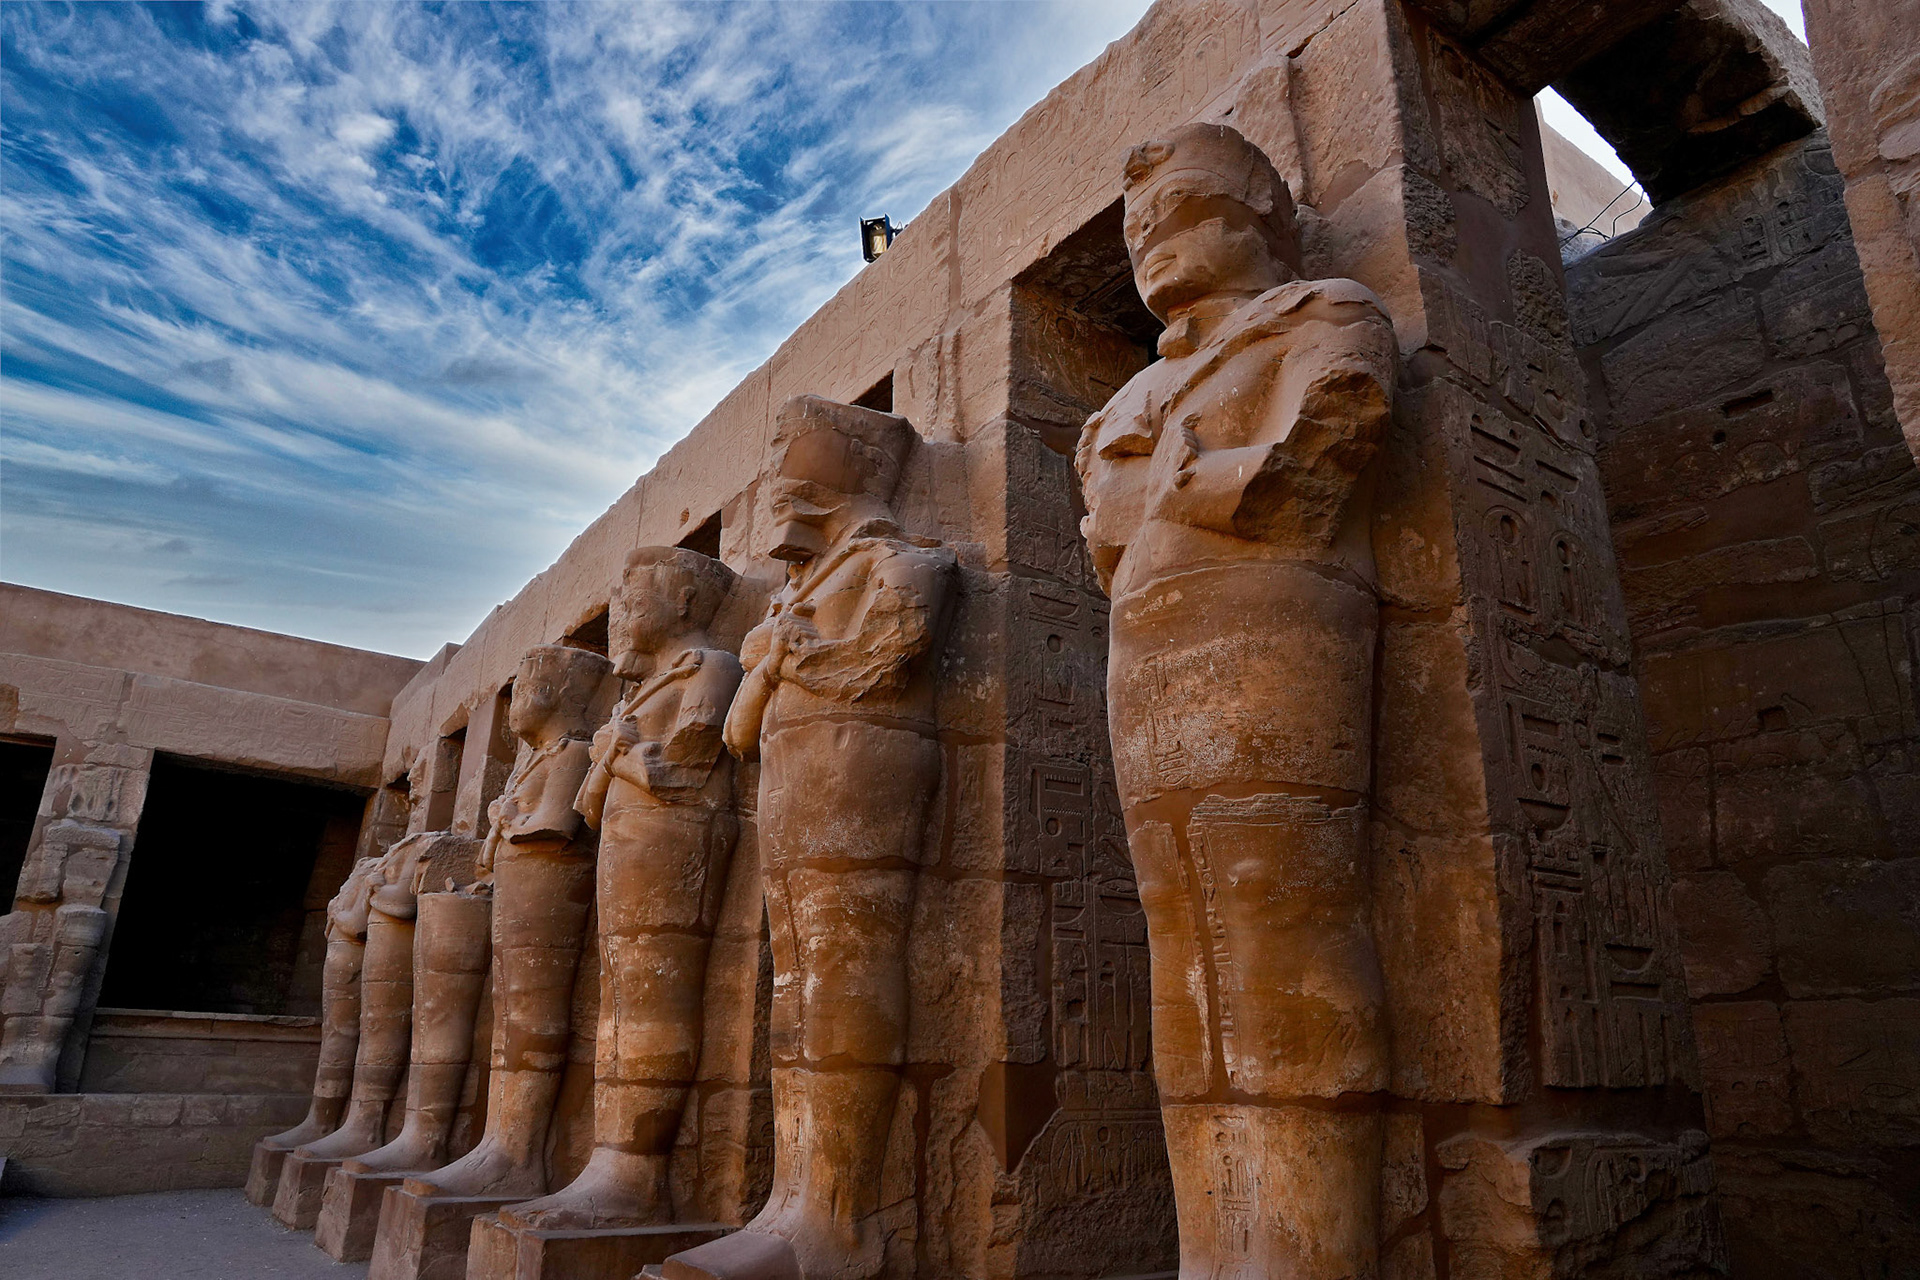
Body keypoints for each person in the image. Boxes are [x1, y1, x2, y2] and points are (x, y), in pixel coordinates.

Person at [1074, 123, 1398, 1278]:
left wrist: (1186, 475)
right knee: (1179, 947)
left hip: (1279, 625)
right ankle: (1218, 1249)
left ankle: (1315, 1252)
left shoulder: (1325, 316)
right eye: (1137, 228)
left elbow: (1306, 473)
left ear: (1260, 201)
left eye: (1179, 207)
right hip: (1153, 651)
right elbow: (1112, 533)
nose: (1150, 235)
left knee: (1281, 920)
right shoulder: (1135, 397)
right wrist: (1185, 470)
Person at [667, 395, 955, 1280]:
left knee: (843, 968)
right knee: (794, 983)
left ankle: (840, 1214)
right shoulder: (808, 589)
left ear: (854, 467)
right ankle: (793, 1196)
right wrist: (781, 652)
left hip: (863, 765)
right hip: (797, 771)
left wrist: (788, 651)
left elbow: (883, 659)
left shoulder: (904, 562)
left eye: (794, 455)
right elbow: (738, 733)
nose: (776, 478)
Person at [500, 546, 745, 1231]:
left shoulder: (711, 669)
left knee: (653, 999)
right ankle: (609, 1160)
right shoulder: (646, 692)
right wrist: (616, 753)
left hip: (678, 840)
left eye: (635, 602)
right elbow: (584, 803)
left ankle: (637, 1170)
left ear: (686, 604)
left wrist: (621, 750)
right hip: (629, 842)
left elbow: (686, 767)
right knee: (616, 1000)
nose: (622, 619)